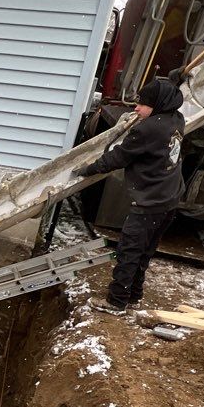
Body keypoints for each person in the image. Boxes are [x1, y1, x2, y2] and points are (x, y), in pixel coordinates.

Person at [76, 77, 186, 314]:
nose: (136, 107)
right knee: (145, 250)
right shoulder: (176, 119)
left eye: (142, 104)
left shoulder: (148, 129)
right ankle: (134, 294)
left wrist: (87, 169)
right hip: (170, 198)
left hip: (150, 202)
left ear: (157, 106)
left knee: (129, 250)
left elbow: (118, 157)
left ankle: (116, 302)